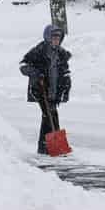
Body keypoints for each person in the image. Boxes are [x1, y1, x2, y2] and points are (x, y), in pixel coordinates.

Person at [20, 25, 72, 154]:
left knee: (49, 116)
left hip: (55, 90)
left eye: (58, 37)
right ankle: (52, 148)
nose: (56, 40)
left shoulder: (61, 53)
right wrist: (37, 74)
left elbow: (65, 71)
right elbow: (23, 65)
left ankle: (45, 148)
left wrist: (66, 85)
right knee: (50, 115)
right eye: (54, 37)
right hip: (40, 89)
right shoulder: (39, 50)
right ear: (47, 37)